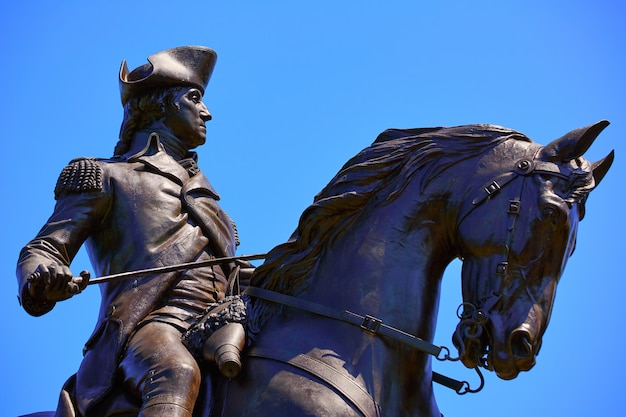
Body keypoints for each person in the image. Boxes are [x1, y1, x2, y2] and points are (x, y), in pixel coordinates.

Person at [16, 46, 251, 417]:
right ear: (160, 104)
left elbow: (238, 277)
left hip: (224, 325)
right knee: (175, 371)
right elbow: (44, 248)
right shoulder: (106, 175)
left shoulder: (214, 207)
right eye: (195, 99)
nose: (207, 112)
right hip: (148, 329)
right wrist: (44, 277)